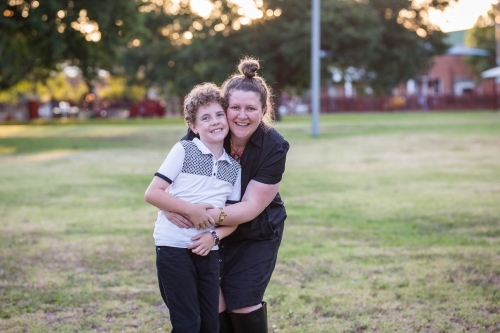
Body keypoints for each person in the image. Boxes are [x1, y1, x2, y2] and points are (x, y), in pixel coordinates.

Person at [165, 58, 290, 333]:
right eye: (234, 107)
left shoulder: (274, 146)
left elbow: (251, 207)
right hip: (210, 229)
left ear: (264, 110)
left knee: (243, 301)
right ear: (224, 108)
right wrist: (170, 208)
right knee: (214, 299)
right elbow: (174, 181)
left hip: (256, 231)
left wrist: (204, 216)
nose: (241, 115)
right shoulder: (206, 131)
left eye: (250, 109)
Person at [144, 82, 241, 333]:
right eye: (205, 118)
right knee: (188, 324)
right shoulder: (184, 150)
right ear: (193, 127)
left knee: (210, 324)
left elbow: (233, 218)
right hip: (173, 246)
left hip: (208, 250)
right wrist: (192, 210)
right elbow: (153, 193)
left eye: (220, 114)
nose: (215, 121)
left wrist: (213, 237)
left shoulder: (234, 168)